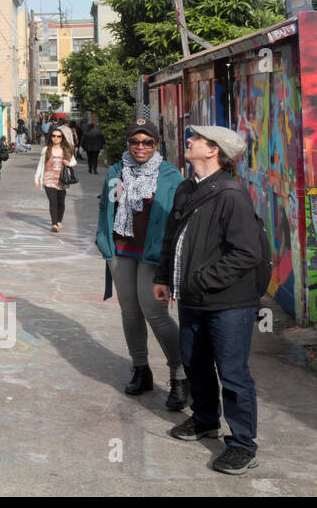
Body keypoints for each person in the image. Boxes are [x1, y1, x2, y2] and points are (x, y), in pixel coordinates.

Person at [154, 125, 264, 475]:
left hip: (228, 302)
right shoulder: (188, 188)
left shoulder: (232, 196)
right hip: (192, 297)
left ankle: (243, 445)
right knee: (195, 363)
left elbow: (247, 253)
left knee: (232, 374)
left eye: (197, 139)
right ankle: (204, 420)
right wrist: (163, 277)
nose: (189, 141)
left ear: (214, 151)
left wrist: (201, 280)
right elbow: (173, 237)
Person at [96, 121, 187, 408]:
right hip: (121, 252)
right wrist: (104, 243)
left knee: (156, 314)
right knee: (130, 313)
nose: (140, 147)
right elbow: (106, 208)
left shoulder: (170, 176)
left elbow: (178, 218)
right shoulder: (115, 172)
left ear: (156, 145)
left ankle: (180, 376)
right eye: (135, 141)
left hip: (153, 255)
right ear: (127, 143)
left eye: (147, 142)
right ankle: (141, 369)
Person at [35, 124, 76, 231]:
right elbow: (40, 165)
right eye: (54, 136)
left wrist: (68, 163)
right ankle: (54, 224)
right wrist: (37, 178)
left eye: (58, 136)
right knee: (53, 202)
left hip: (62, 180)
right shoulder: (46, 150)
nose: (56, 138)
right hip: (49, 180)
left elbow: (74, 161)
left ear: (62, 138)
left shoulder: (66, 150)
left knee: (60, 203)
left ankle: (59, 221)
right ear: (51, 137)